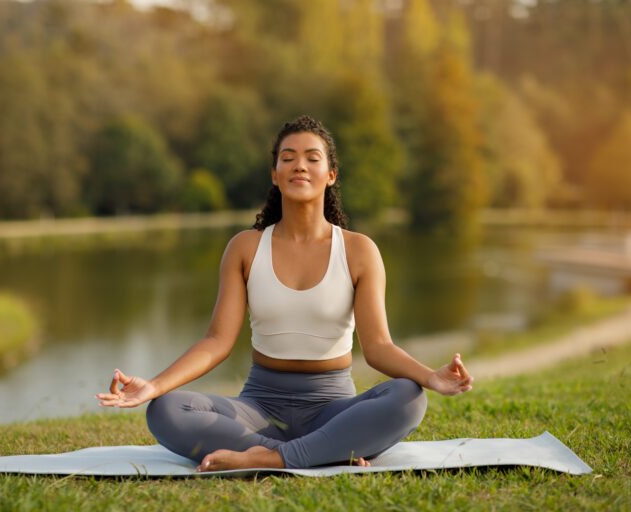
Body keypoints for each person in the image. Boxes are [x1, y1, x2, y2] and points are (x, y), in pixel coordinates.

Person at [96, 115, 474, 472]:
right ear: (275, 175)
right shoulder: (245, 248)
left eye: (313, 158)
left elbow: (378, 348)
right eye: (287, 158)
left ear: (331, 175)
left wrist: (431, 377)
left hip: (334, 408)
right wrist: (154, 385)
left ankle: (269, 458)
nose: (299, 166)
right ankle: (322, 450)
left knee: (408, 399)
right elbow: (217, 340)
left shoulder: (359, 250)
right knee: (165, 411)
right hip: (258, 409)